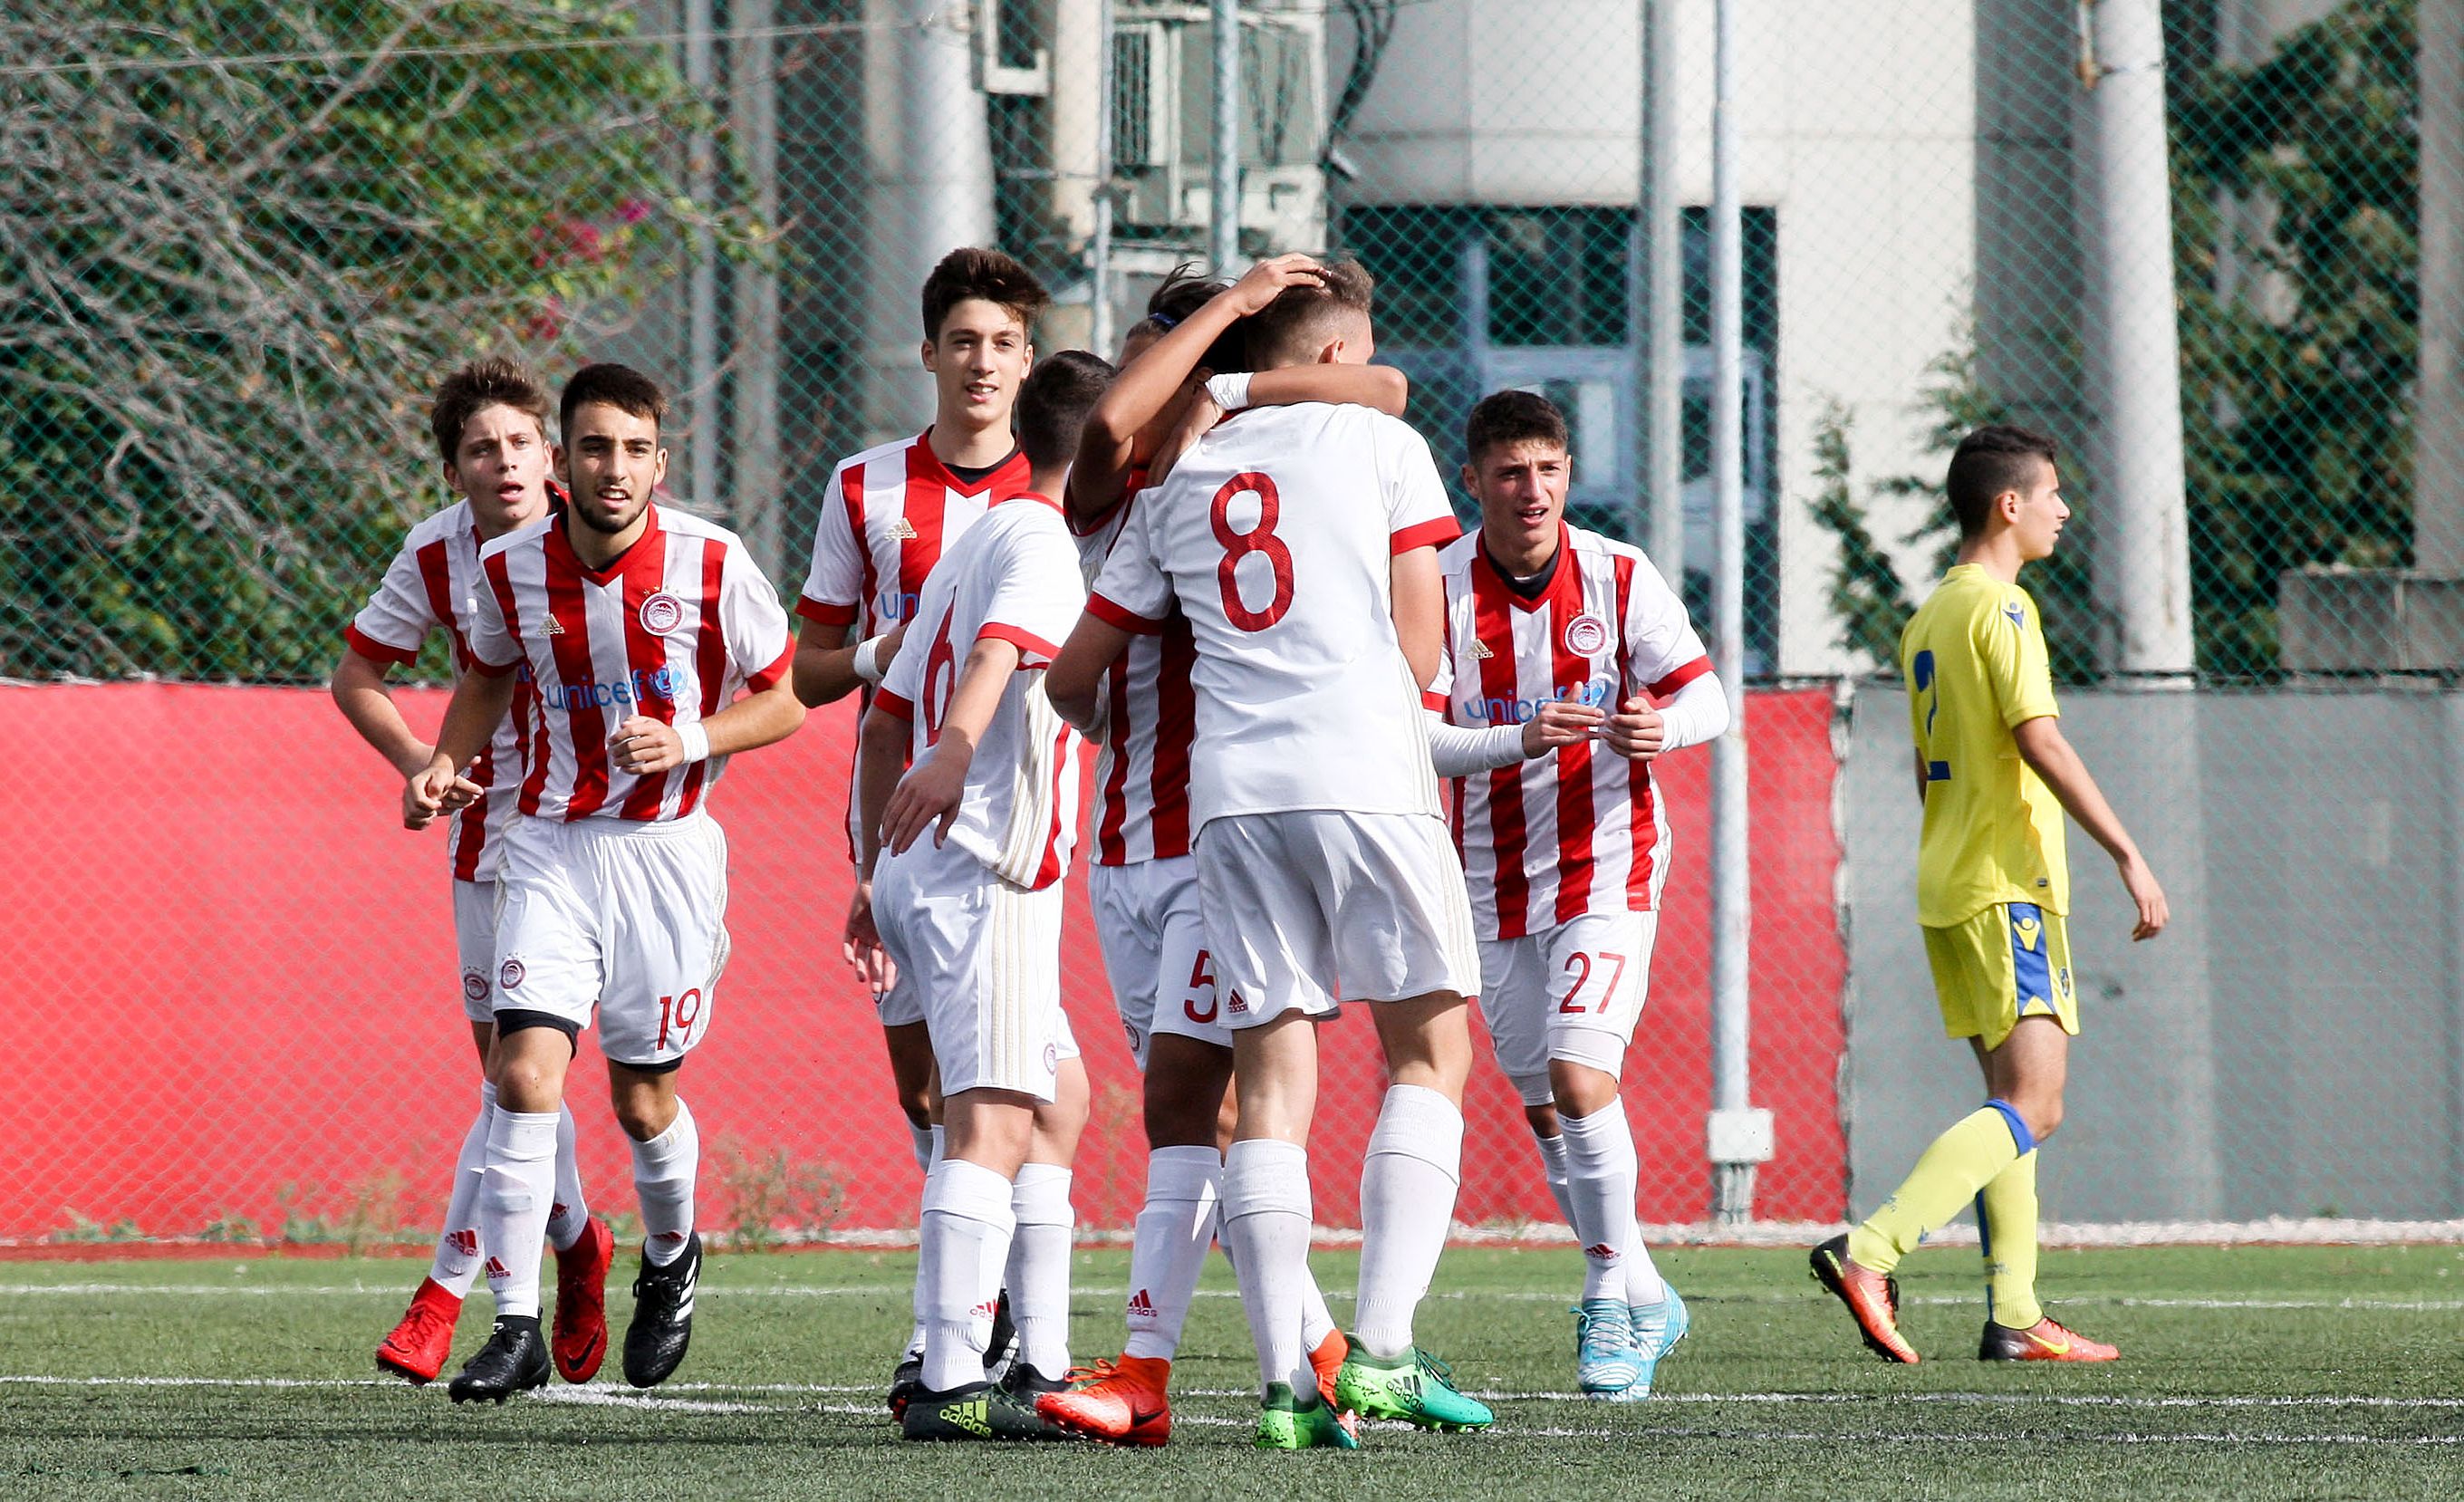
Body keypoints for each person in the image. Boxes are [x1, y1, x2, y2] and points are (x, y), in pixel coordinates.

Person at [1048, 261, 1489, 1450]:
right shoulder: (1379, 440)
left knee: (1268, 1098)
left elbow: (1072, 674)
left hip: (1227, 802)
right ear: (1337, 355)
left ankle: (1289, 1385)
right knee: (1428, 1051)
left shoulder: (1174, 477)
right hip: (1363, 770)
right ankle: (1381, 1349)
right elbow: (1418, 644)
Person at [401, 363, 804, 1401]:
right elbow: (486, 674)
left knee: (640, 1099)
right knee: (520, 1076)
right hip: (547, 846)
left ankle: (670, 1254)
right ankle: (515, 1322)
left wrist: (691, 738)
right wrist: (444, 760)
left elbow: (786, 697)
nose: (612, 467)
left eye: (633, 449)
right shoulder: (508, 565)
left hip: (665, 858)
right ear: (562, 461)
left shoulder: (712, 560)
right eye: (593, 447)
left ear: (659, 463)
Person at [1811, 423, 2169, 1363]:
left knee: (2008, 1104)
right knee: (2036, 1104)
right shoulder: (2002, 608)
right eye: (2051, 493)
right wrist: (2127, 852)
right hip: (2007, 886)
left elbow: (1932, 765)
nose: (2063, 510)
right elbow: (2037, 736)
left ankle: (2014, 1313)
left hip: (1951, 879)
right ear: (2008, 505)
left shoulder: (1929, 614)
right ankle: (1870, 1249)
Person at [1426, 390, 1726, 1400]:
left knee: (1578, 1073)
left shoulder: (1618, 572)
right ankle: (1644, 1286)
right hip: (1487, 872)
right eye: (1511, 472)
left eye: (1547, 469)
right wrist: (1516, 738)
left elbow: (1707, 697)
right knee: (1544, 1104)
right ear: (1473, 481)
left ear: (1568, 474)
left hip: (1607, 859)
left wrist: (1661, 728)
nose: (1532, 490)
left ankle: (1608, 1303)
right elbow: (1418, 735)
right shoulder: (1437, 586)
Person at [789, 247, 1048, 1408]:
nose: (982, 362)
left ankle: (965, 1331)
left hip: (1012, 830)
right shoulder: (866, 488)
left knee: (1012, 1086)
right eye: (964, 342)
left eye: (1003, 343)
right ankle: (982, 1321)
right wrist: (881, 653)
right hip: (898, 812)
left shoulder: (1055, 490)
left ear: (1028, 361)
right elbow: (806, 672)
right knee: (929, 1090)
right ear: (929, 353)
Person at [845, 351, 1109, 1442]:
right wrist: (956, 749)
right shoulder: (1044, 540)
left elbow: (879, 718)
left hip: (923, 866)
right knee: (991, 1120)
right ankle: (949, 1377)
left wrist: (872, 870)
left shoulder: (978, 536)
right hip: (986, 870)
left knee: (1058, 1100)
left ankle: (1040, 1361)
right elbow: (1000, 653)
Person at [335, 358, 612, 1389]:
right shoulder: (437, 550)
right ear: (454, 471)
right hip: (489, 830)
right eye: (481, 449)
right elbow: (357, 674)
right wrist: (423, 761)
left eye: (521, 442)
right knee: (511, 1079)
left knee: (531, 1081)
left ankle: (447, 1288)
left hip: (592, 832)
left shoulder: (605, 529)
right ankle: (576, 1239)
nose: (505, 462)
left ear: (552, 454)